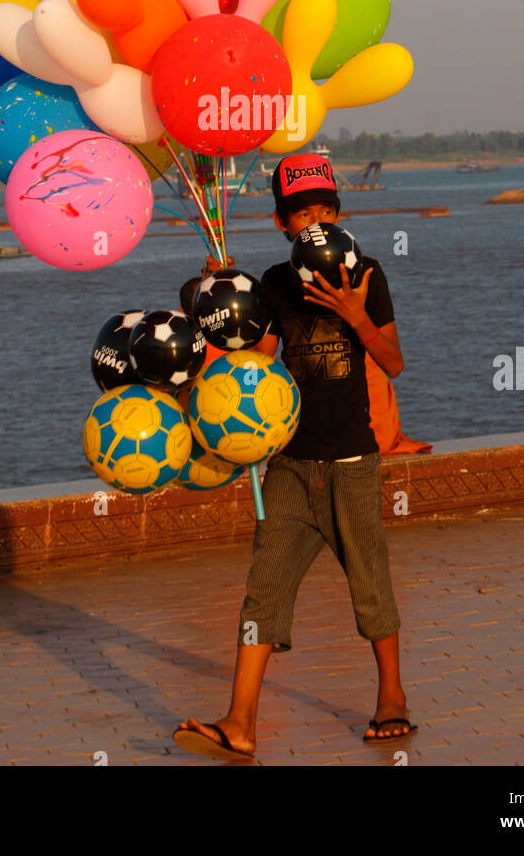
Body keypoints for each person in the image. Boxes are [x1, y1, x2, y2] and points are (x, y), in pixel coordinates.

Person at [174, 152, 420, 761]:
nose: (314, 220)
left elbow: (392, 362)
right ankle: (240, 721)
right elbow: (251, 358)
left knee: (369, 581)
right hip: (287, 463)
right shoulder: (277, 284)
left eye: (324, 210)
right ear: (282, 223)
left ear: (339, 216)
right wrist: (219, 299)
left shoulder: (365, 274)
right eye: (301, 212)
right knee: (264, 589)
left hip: (351, 461)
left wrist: (355, 314)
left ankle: (392, 697)